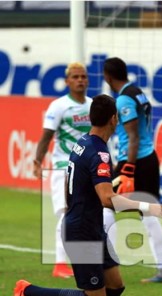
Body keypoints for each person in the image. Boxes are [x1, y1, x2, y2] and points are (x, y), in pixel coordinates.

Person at [9, 94, 162, 296]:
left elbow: (80, 187)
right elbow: (107, 200)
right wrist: (149, 207)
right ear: (115, 119)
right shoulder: (98, 151)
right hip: (82, 233)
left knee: (116, 286)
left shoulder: (82, 142)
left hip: (89, 227)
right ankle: (28, 291)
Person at [102, 57, 162, 283]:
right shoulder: (137, 92)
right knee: (149, 211)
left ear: (108, 77)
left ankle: (104, 264)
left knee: (104, 204)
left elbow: (133, 136)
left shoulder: (123, 100)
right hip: (148, 157)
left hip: (135, 162)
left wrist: (128, 170)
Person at [33, 62, 92, 279]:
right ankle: (59, 264)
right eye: (75, 77)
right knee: (66, 214)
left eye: (83, 76)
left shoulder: (93, 105)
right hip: (62, 168)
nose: (80, 80)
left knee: (90, 215)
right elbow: (46, 135)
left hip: (86, 169)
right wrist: (37, 161)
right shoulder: (58, 106)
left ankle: (87, 260)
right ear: (67, 81)